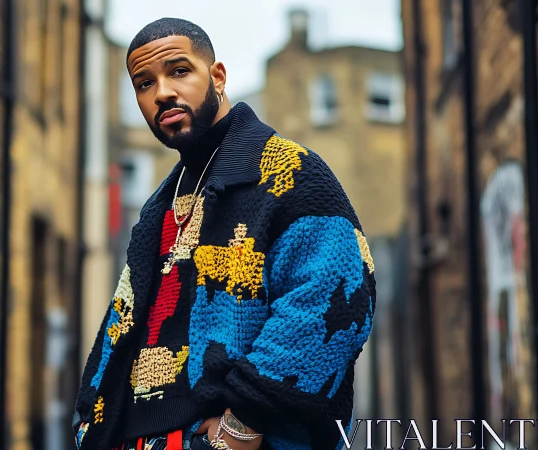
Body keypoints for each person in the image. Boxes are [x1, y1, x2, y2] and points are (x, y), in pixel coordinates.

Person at [73, 17, 376, 450]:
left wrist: (243, 424)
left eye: (179, 71)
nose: (162, 93)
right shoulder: (162, 203)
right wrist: (90, 423)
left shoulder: (287, 171)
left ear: (217, 76)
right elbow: (125, 324)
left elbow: (336, 302)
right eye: (143, 83)